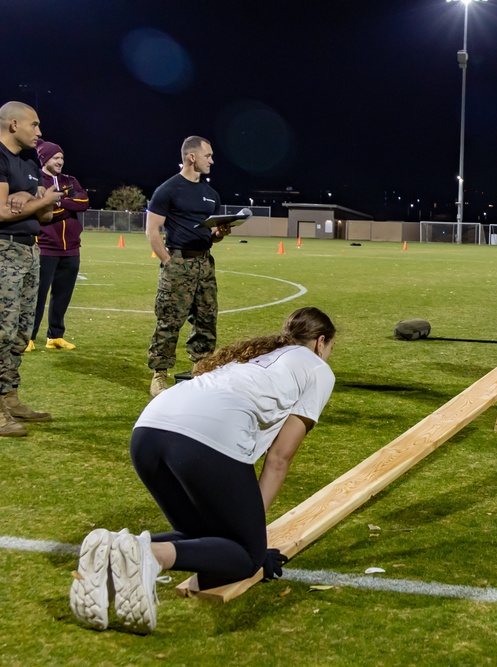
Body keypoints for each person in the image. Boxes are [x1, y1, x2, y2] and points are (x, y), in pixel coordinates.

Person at [69, 306, 337, 634]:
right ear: (321, 342)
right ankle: (149, 554)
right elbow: (280, 458)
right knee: (246, 557)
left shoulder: (256, 355)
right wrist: (251, 536)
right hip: (204, 440)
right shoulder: (318, 370)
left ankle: (110, 554)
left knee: (203, 540)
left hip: (148, 431)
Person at [146, 136, 232, 397]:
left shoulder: (211, 194)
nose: (212, 161)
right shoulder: (168, 190)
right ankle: (159, 375)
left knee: (206, 319)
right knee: (169, 319)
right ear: (192, 157)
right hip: (178, 262)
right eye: (208, 156)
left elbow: (213, 235)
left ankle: (201, 368)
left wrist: (220, 234)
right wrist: (168, 262)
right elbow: (152, 230)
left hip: (205, 263)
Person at [0, 101, 61, 438]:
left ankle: (10, 398)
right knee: (1, 331)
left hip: (29, 251)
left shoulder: (29, 163)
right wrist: (40, 200)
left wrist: (31, 200)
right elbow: (2, 213)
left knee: (22, 332)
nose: (39, 132)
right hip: (3, 249)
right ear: (13, 124)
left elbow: (46, 216)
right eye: (34, 125)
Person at [29, 140, 89, 351]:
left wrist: (59, 201)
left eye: (62, 157)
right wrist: (57, 206)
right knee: (37, 295)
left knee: (63, 294)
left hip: (71, 248)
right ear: (45, 159)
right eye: (56, 157)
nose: (60, 161)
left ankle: (55, 336)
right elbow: (41, 213)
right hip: (45, 247)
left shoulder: (70, 180)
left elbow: (84, 202)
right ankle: (28, 336)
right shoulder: (36, 180)